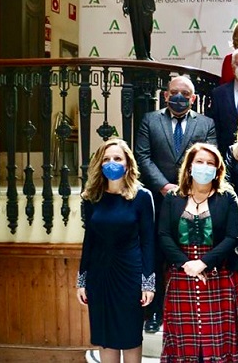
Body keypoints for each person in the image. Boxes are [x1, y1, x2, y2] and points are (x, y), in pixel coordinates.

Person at [135, 75, 217, 333]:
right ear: (165, 95)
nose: (178, 97)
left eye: (185, 93)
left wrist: (188, 189)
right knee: (158, 255)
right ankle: (155, 312)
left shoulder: (206, 123)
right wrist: (165, 186)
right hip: (159, 201)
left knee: (193, 255)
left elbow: (210, 157)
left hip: (195, 200)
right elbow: (143, 156)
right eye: (174, 92)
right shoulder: (150, 120)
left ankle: (193, 314)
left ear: (193, 98)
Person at [158, 142, 238, 362]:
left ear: (218, 170)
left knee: (219, 344)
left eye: (210, 163)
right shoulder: (173, 197)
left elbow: (232, 237)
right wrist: (186, 263)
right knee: (184, 345)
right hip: (181, 276)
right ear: (189, 166)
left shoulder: (228, 197)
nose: (204, 167)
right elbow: (163, 235)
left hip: (220, 276)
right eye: (199, 162)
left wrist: (203, 263)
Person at [77, 138, 155, 363]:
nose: (112, 163)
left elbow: (148, 242)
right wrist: (82, 279)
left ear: (128, 164)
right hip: (99, 276)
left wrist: (148, 283)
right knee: (105, 338)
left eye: (117, 158)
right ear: (99, 164)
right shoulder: (92, 197)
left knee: (130, 338)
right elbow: (89, 240)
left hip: (129, 274)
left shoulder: (142, 197)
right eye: (107, 159)